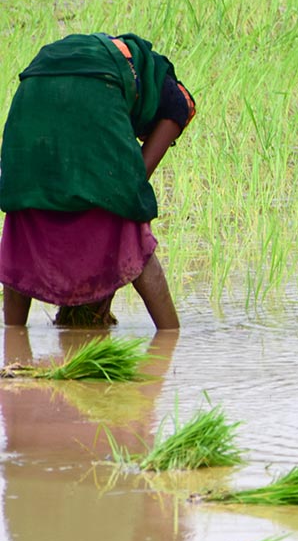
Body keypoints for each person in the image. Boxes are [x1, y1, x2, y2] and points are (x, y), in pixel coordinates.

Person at [0, 32, 196, 329]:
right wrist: (122, 194)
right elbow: (182, 107)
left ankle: (13, 342)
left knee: (25, 216)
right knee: (131, 235)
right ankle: (170, 333)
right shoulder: (165, 87)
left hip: (30, 105)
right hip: (90, 93)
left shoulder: (122, 67)